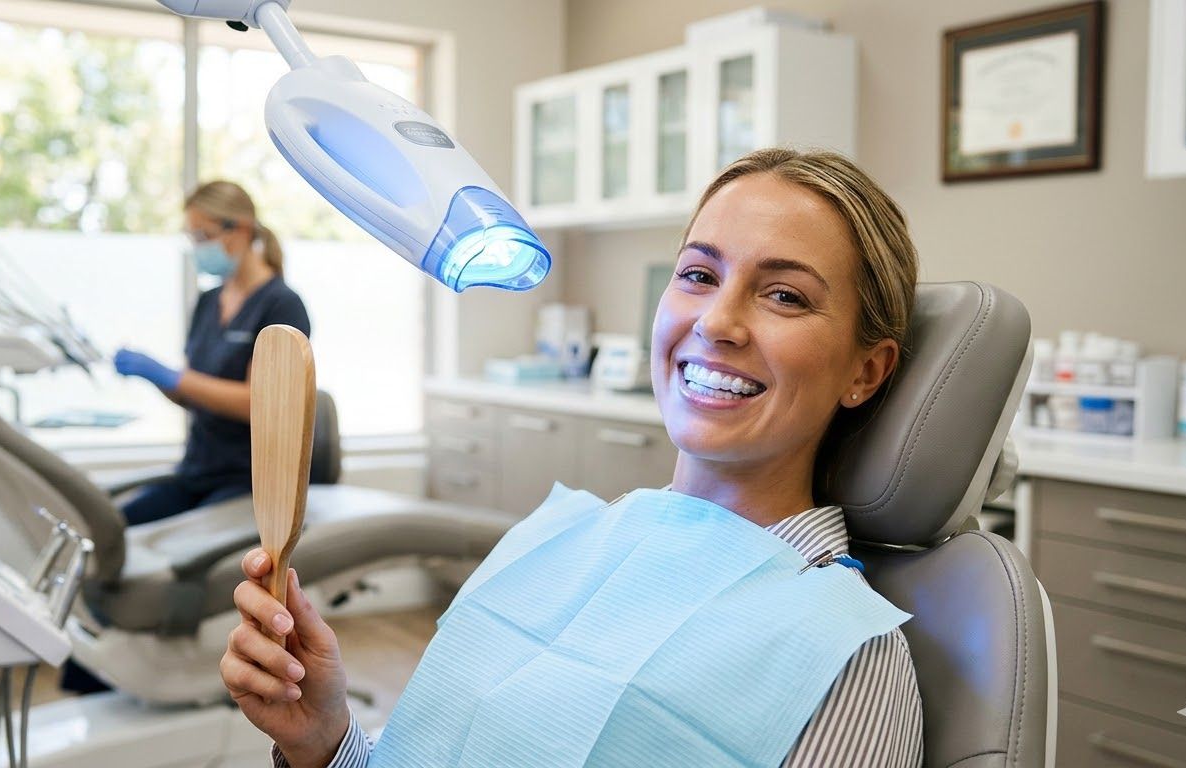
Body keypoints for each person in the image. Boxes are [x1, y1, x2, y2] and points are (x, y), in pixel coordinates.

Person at [222, 149, 924, 767]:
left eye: (784, 295)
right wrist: (324, 741)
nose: (715, 322)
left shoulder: (846, 654)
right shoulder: (557, 540)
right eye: (699, 276)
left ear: (866, 371)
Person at [113, 180, 311, 526]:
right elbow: (193, 396)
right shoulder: (207, 302)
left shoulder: (282, 305)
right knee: (112, 527)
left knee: (183, 549)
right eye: (192, 238)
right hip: (197, 470)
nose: (197, 248)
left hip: (247, 481)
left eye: (203, 237)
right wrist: (156, 376)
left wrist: (176, 376)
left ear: (241, 230)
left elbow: (258, 404)